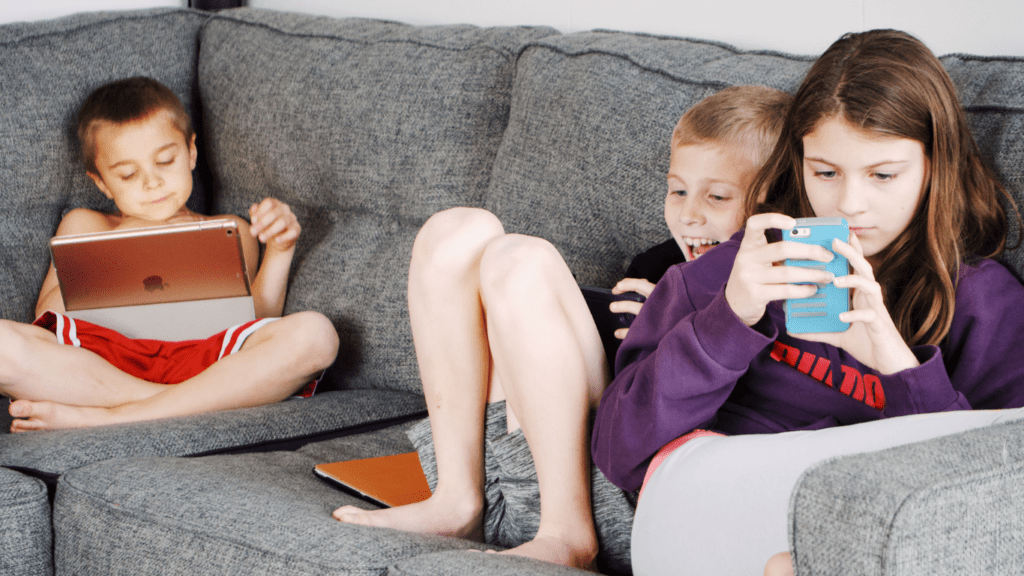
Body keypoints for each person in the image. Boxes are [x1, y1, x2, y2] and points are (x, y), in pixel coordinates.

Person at [589, 30, 1024, 576]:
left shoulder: (984, 303)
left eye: (883, 175)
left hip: (863, 525)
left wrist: (898, 366)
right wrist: (729, 320)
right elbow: (617, 452)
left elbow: (997, 499)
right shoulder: (730, 270)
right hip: (703, 500)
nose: (849, 203)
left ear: (934, 166)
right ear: (797, 163)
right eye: (825, 172)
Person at [332, 85, 792, 572]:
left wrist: (671, 333)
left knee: (520, 260)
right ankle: (455, 501)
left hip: (611, 494)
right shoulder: (657, 265)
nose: (688, 213)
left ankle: (567, 535)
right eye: (676, 190)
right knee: (456, 230)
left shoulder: (773, 289)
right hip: (507, 470)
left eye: (717, 196)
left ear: (768, 203)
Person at [0, 76, 340, 432]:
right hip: (102, 363)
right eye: (128, 175)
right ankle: (181, 401)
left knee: (316, 334)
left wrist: (280, 249)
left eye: (165, 160)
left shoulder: (229, 229)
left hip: (205, 358)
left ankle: (115, 415)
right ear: (102, 182)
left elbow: (256, 317)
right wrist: (125, 241)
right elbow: (48, 315)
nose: (152, 182)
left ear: (191, 152)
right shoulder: (85, 223)